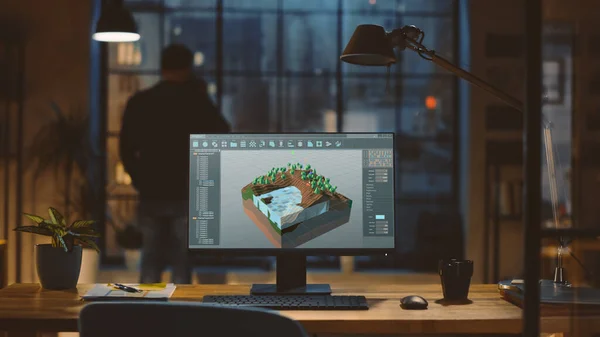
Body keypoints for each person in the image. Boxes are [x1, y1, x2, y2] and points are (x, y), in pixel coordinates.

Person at [119, 44, 230, 283]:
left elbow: (126, 149)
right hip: (186, 191)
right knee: (182, 263)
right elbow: (222, 133)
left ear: (162, 67)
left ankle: (147, 314)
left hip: (151, 191)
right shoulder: (196, 102)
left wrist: (139, 179)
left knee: (150, 260)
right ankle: (180, 315)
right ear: (188, 68)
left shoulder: (141, 102)